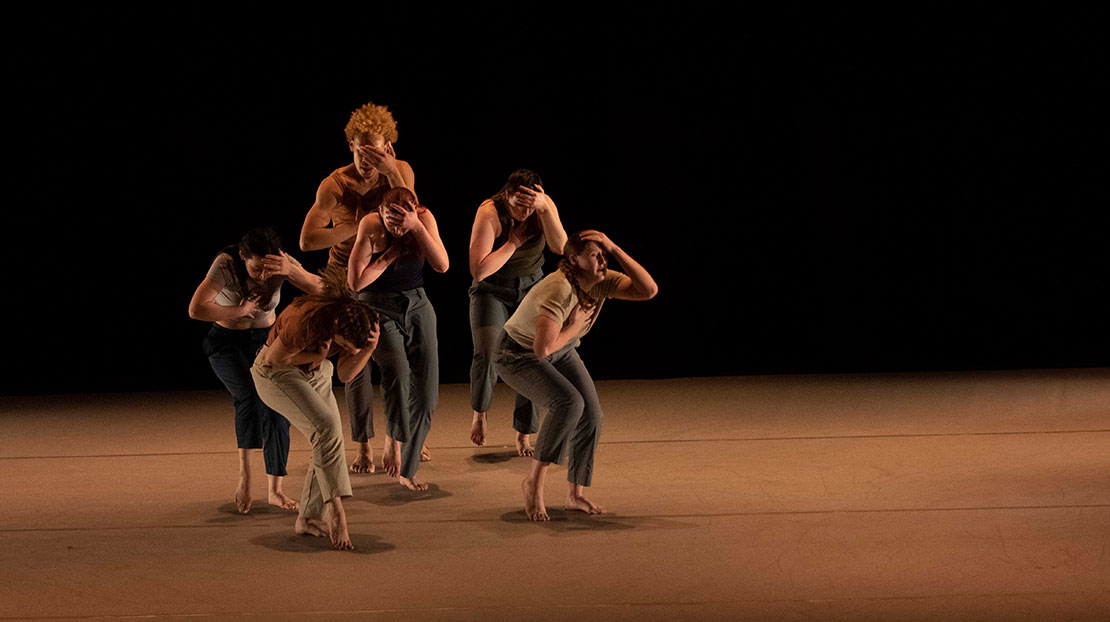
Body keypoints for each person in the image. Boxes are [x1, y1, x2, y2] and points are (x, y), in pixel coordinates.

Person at [493, 230, 657, 521]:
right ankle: (534, 483)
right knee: (569, 403)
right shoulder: (560, 288)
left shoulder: (600, 280)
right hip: (516, 356)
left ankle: (575, 494)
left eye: (604, 254)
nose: (603, 260)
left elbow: (648, 290)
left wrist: (615, 247)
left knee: (591, 413)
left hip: (561, 348)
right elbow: (541, 349)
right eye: (596, 255)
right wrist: (576, 324)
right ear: (574, 259)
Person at [299, 101, 417, 474]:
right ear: (351, 143)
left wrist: (392, 172)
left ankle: (396, 439)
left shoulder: (399, 172)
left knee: (397, 362)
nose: (368, 158)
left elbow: (415, 213)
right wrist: (360, 225)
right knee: (356, 364)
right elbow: (307, 240)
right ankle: (363, 445)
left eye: (376, 150)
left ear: (388, 147)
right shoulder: (335, 184)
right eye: (361, 149)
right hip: (347, 278)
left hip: (386, 275)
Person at [188, 227, 322, 514]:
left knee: (276, 406)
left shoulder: (281, 262)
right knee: (249, 397)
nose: (263, 275)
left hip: (264, 342)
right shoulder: (226, 264)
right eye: (257, 268)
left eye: (268, 268)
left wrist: (292, 272)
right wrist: (238, 311)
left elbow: (324, 289)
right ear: (242, 256)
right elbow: (196, 309)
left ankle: (275, 489)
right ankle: (245, 479)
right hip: (225, 342)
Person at [250, 267, 379, 550]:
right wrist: (318, 354)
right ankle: (335, 510)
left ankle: (307, 518)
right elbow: (274, 359)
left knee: (331, 435)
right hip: (275, 373)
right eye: (346, 345)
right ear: (335, 326)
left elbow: (345, 375)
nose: (349, 349)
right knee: (325, 427)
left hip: (315, 371)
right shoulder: (305, 321)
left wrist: (367, 350)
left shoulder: (354, 319)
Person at [348, 186, 448, 490]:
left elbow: (442, 265)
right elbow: (355, 282)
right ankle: (393, 439)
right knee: (397, 369)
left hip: (416, 302)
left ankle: (409, 467)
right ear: (381, 211)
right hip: (375, 303)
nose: (396, 227)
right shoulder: (371, 225)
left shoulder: (423, 219)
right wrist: (388, 256)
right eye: (391, 221)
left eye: (401, 222)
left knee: (428, 393)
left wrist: (416, 227)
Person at [467, 169, 567, 455]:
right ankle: (480, 412)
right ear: (506, 195)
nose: (524, 212)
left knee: (532, 356)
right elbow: (479, 270)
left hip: (531, 289)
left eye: (530, 205)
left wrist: (545, 208)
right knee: (487, 353)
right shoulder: (489, 212)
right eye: (518, 205)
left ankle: (524, 431)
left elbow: (560, 247)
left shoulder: (542, 205)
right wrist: (513, 242)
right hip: (492, 290)